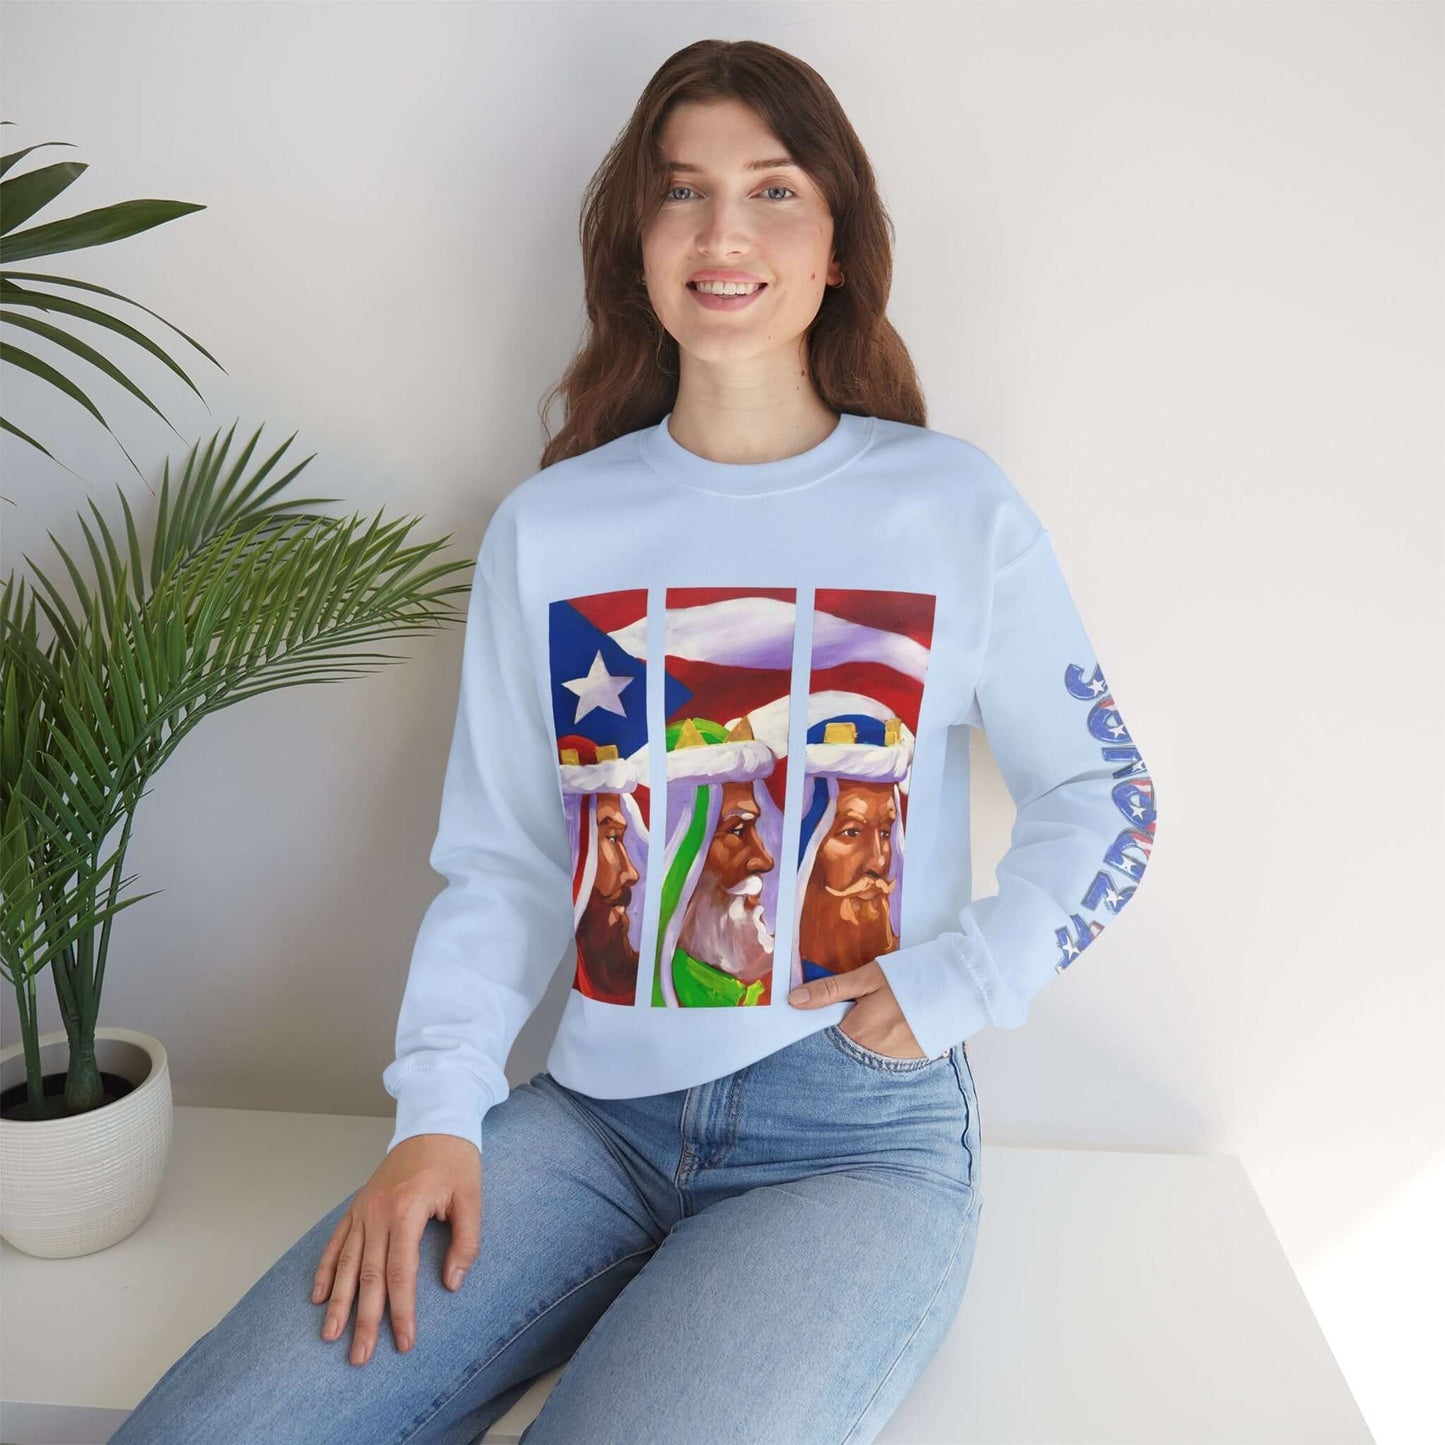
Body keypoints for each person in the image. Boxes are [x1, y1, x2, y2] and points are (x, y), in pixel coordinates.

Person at [110, 37, 1157, 1445]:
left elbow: (1105, 794)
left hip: (849, 1139)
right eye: (681, 193)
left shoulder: (948, 507)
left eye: (772, 190)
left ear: (837, 242)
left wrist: (961, 981)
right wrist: (438, 1110)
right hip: (591, 1120)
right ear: (637, 241)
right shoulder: (556, 529)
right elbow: (505, 862)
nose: (723, 232)